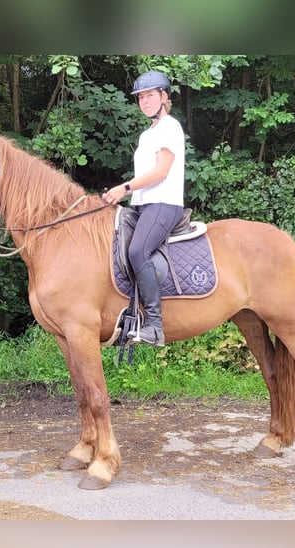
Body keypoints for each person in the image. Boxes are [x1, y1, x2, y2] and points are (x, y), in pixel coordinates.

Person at [103, 70, 185, 346]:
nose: (145, 101)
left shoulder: (170, 127)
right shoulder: (147, 134)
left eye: (150, 95)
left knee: (138, 251)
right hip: (142, 205)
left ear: (164, 97)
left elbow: (161, 172)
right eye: (141, 97)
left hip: (164, 203)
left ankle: (154, 326)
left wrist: (124, 188)